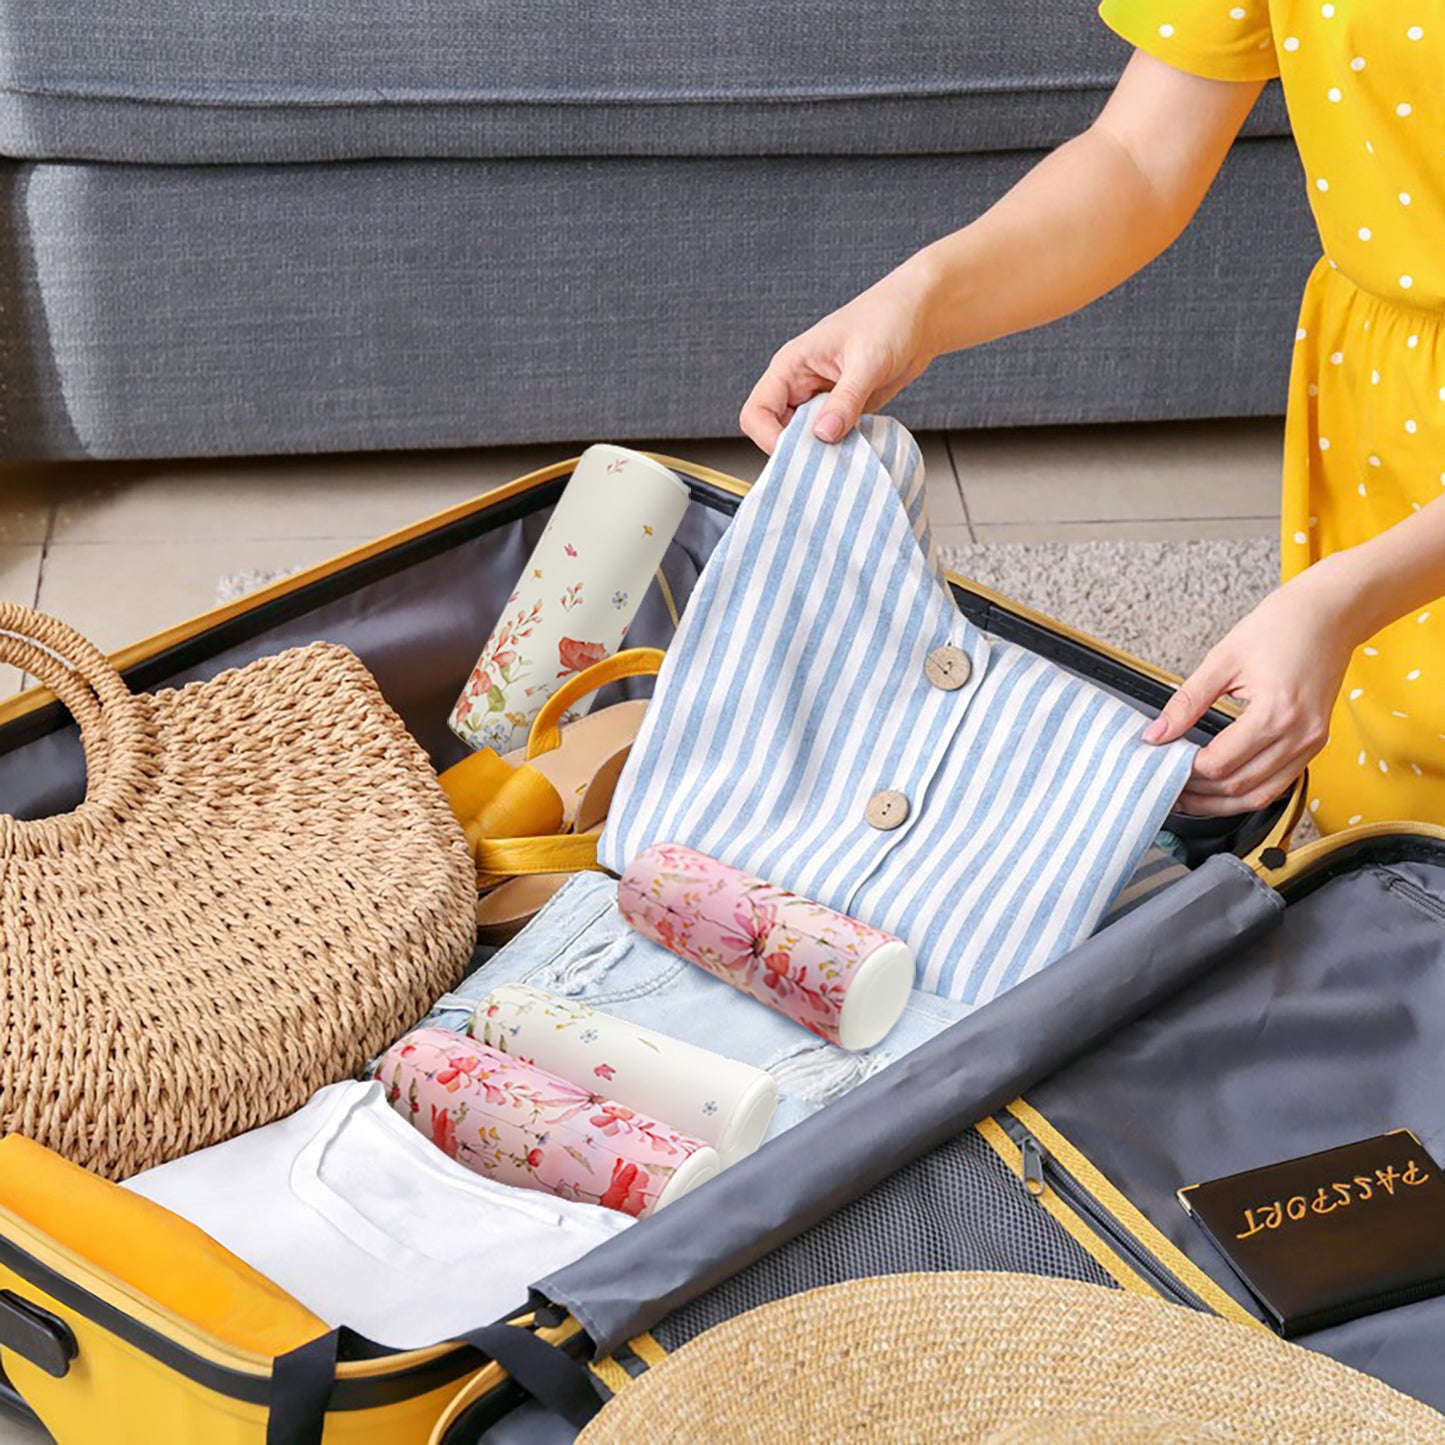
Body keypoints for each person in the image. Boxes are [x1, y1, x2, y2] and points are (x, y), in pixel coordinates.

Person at [740, 3, 1442, 834]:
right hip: (1389, 411)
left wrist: (1341, 600)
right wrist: (917, 301)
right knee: (1389, 833)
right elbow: (1137, 159)